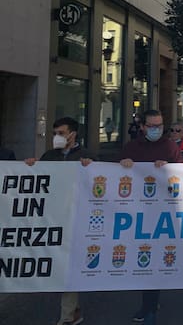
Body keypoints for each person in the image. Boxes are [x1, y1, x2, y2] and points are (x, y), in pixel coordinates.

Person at [25, 117, 94, 325]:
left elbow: (99, 184)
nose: (57, 137)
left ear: (73, 134)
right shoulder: (49, 156)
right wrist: (30, 167)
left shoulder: (86, 155)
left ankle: (67, 316)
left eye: (61, 133)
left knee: (69, 265)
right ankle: (73, 310)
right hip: (53, 217)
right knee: (57, 264)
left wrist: (92, 168)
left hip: (77, 217)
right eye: (55, 133)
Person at [121, 109, 182, 325]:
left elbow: (182, 174)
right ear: (143, 127)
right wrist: (123, 165)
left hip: (163, 211)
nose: (157, 130)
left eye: (160, 126)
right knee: (143, 258)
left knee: (154, 258)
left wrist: (171, 168)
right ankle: (148, 305)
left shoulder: (170, 147)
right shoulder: (131, 147)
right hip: (137, 211)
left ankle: (150, 307)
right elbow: (115, 174)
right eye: (152, 126)